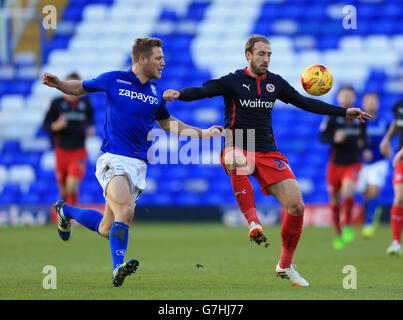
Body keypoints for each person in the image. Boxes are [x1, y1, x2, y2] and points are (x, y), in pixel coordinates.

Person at [163, 34, 372, 287]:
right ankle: (253, 221)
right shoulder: (233, 81)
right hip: (239, 143)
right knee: (238, 159)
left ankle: (285, 265)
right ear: (248, 55)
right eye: (261, 54)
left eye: (270, 54)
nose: (266, 59)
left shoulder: (275, 83)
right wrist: (180, 94)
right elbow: (205, 90)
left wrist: (344, 111)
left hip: (268, 150)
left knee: (297, 207)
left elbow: (304, 102)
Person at [41, 37, 224, 287]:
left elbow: (169, 124)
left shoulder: (156, 93)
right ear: (142, 59)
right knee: (125, 211)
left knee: (107, 228)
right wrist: (60, 84)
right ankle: (118, 268)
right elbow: (80, 88)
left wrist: (204, 133)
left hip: (137, 166)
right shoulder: (114, 79)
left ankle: (66, 211)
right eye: (158, 59)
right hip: (112, 158)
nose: (163, 63)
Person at [319, 85, 368, 250]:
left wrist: (365, 146)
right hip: (335, 164)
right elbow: (322, 137)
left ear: (354, 98)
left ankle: (347, 223)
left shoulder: (359, 117)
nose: (347, 98)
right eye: (344, 95)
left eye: (350, 95)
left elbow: (364, 137)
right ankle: (337, 232)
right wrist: (334, 137)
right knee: (334, 199)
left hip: (353, 162)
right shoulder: (332, 117)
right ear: (338, 98)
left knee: (348, 192)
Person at [42, 72, 95, 207]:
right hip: (61, 151)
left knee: (72, 184)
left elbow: (91, 119)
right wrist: (56, 126)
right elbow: (45, 125)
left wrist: (91, 127)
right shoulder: (57, 103)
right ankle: (64, 215)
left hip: (78, 151)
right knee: (64, 189)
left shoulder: (85, 103)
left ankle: (73, 214)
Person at [356, 92, 389, 238]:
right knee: (365, 192)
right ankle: (374, 209)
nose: (371, 104)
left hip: (379, 161)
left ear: (378, 103)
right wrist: (362, 149)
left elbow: (391, 136)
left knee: (374, 190)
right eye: (368, 101)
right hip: (361, 162)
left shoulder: (384, 121)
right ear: (363, 103)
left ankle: (369, 223)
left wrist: (389, 146)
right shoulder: (359, 121)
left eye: (374, 101)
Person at [380, 74, 403, 256]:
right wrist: (386, 139)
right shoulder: (399, 106)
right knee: (399, 198)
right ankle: (396, 242)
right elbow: (398, 124)